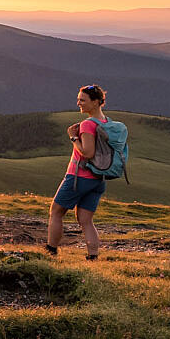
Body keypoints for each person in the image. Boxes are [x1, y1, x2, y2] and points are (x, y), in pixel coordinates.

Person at [47, 84, 109, 259]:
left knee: (56, 211)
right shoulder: (106, 122)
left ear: (96, 102)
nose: (78, 103)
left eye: (83, 100)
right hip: (98, 179)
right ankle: (93, 257)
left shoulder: (88, 124)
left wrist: (73, 137)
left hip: (79, 177)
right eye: (78, 99)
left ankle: (50, 251)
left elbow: (87, 153)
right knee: (85, 220)